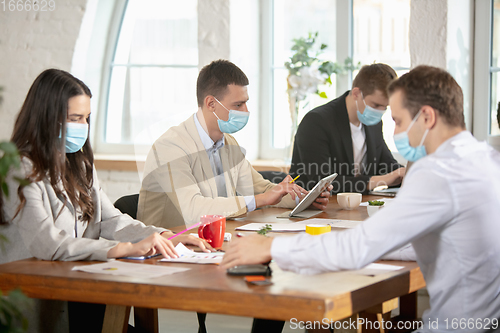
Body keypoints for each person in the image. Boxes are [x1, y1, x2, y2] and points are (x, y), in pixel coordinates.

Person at [221, 65, 500, 333]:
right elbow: (407, 244)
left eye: (399, 121)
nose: (395, 131)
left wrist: (273, 247)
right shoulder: (485, 160)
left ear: (427, 117)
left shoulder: (438, 172)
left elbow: (358, 247)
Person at [0, 69, 212, 333]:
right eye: (75, 118)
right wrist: (122, 249)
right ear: (47, 118)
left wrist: (166, 236)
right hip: (38, 306)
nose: (83, 127)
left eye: (86, 118)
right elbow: (48, 244)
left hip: (82, 295)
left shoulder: (80, 164)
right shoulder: (19, 169)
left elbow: (111, 219)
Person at [138, 59, 332, 229]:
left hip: (212, 242)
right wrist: (260, 200)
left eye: (246, 103)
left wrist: (305, 199)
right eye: (238, 105)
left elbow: (262, 190)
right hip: (167, 250)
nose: (246, 111)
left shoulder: (228, 143)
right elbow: (193, 210)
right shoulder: (171, 147)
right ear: (211, 104)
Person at [289, 63, 405, 193]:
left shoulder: (374, 123)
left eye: (385, 106)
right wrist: (381, 180)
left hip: (356, 207)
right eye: (376, 105)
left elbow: (386, 165)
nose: (380, 111)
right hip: (313, 209)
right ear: (356, 93)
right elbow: (321, 182)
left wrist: (404, 174)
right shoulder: (316, 122)